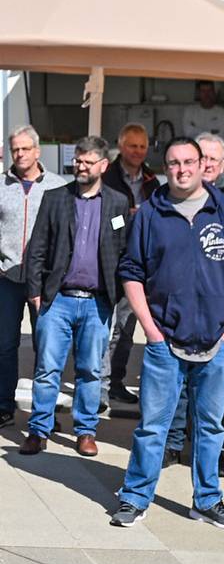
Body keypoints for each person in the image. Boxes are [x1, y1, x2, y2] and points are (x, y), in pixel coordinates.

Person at [111, 137, 224, 529]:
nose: (182, 169)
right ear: (166, 168)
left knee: (210, 426)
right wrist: (150, 328)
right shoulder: (151, 213)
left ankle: (207, 500)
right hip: (165, 339)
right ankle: (134, 497)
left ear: (202, 165)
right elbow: (130, 271)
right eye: (174, 163)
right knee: (152, 426)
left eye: (189, 162)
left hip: (217, 339)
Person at [19, 136, 129, 457]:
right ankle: (38, 430)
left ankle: (85, 432)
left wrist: (115, 294)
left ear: (103, 165)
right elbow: (37, 248)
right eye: (78, 160)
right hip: (57, 300)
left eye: (87, 162)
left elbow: (123, 251)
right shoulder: (56, 198)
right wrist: (35, 294)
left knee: (90, 371)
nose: (80, 166)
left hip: (97, 303)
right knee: (47, 369)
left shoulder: (118, 203)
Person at [0, 125, 65, 428]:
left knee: (46, 348)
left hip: (45, 280)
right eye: (15, 149)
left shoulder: (57, 186)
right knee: (5, 345)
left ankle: (44, 412)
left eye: (25, 148)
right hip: (7, 279)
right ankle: (3, 405)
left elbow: (65, 232)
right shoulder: (1, 185)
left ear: (37, 151)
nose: (20, 154)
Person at [101, 123, 160, 408]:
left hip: (136, 263)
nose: (137, 151)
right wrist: (127, 216)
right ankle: (98, 386)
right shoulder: (107, 177)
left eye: (142, 146)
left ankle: (115, 382)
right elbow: (102, 217)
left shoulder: (152, 181)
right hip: (106, 260)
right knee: (101, 328)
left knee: (125, 328)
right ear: (121, 146)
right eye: (132, 146)